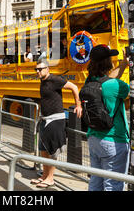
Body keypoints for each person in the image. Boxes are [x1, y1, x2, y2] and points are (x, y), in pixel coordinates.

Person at [31, 59, 82, 188]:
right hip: (45, 119)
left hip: (55, 120)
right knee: (43, 149)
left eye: (40, 69)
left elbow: (74, 87)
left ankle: (50, 178)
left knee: (52, 151)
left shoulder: (55, 80)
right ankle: (44, 175)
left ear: (47, 69)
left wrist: (78, 104)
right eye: (36, 69)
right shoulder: (42, 81)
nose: (38, 71)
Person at [85, 44, 130, 191]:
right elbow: (130, 89)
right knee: (113, 185)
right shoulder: (117, 86)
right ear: (107, 63)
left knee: (96, 182)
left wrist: (123, 65)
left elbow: (107, 81)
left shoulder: (90, 82)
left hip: (94, 139)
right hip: (113, 141)